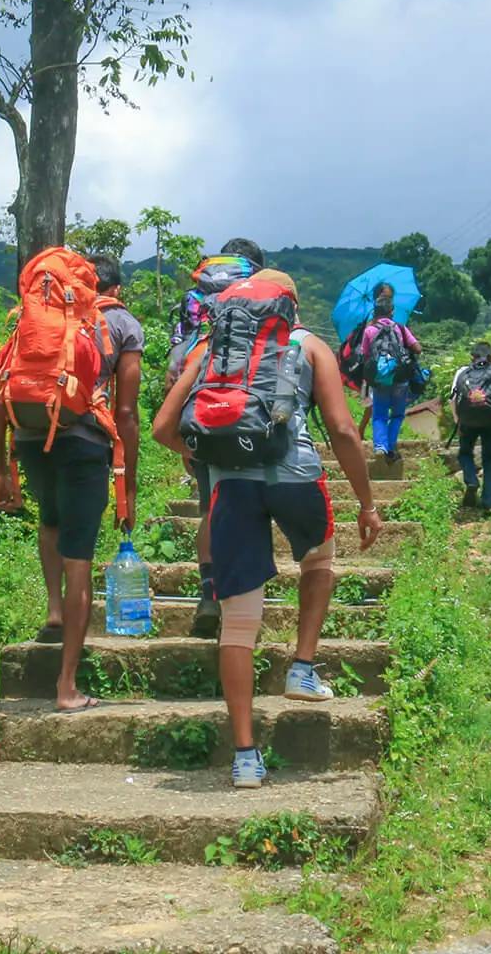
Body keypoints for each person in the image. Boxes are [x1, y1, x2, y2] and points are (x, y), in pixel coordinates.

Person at [153, 268, 383, 789]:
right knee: (318, 558)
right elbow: (345, 430)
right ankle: (302, 665)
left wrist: (206, 456)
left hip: (232, 488)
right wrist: (367, 503)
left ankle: (245, 757)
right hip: (296, 475)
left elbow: (164, 428)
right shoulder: (307, 344)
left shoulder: (210, 349)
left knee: (238, 624)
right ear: (290, 306)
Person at [0, 252, 142, 712]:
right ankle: (67, 686)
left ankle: (54, 612)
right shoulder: (120, 325)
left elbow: (2, 392)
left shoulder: (30, 319)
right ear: (110, 288)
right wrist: (127, 487)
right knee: (80, 559)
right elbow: (128, 413)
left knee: (51, 521)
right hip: (84, 444)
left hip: (32, 438)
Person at [168, 237, 266, 640]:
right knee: (253, 508)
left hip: (201, 411)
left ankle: (209, 595)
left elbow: (176, 361)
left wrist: (180, 431)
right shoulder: (264, 293)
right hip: (250, 413)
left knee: (210, 509)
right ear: (256, 265)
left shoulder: (194, 299)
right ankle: (242, 601)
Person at [356, 283, 421, 460]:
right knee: (398, 414)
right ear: (391, 311)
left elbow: (365, 354)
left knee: (379, 415)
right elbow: (417, 348)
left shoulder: (369, 330)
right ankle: (391, 446)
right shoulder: (400, 328)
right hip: (400, 378)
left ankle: (380, 447)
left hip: (380, 379)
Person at [450, 340, 491, 514]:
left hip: (468, 420)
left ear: (472, 356)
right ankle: (488, 501)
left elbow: (452, 400)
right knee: (490, 459)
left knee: (464, 453)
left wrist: (458, 421)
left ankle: (471, 479)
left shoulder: (462, 373)